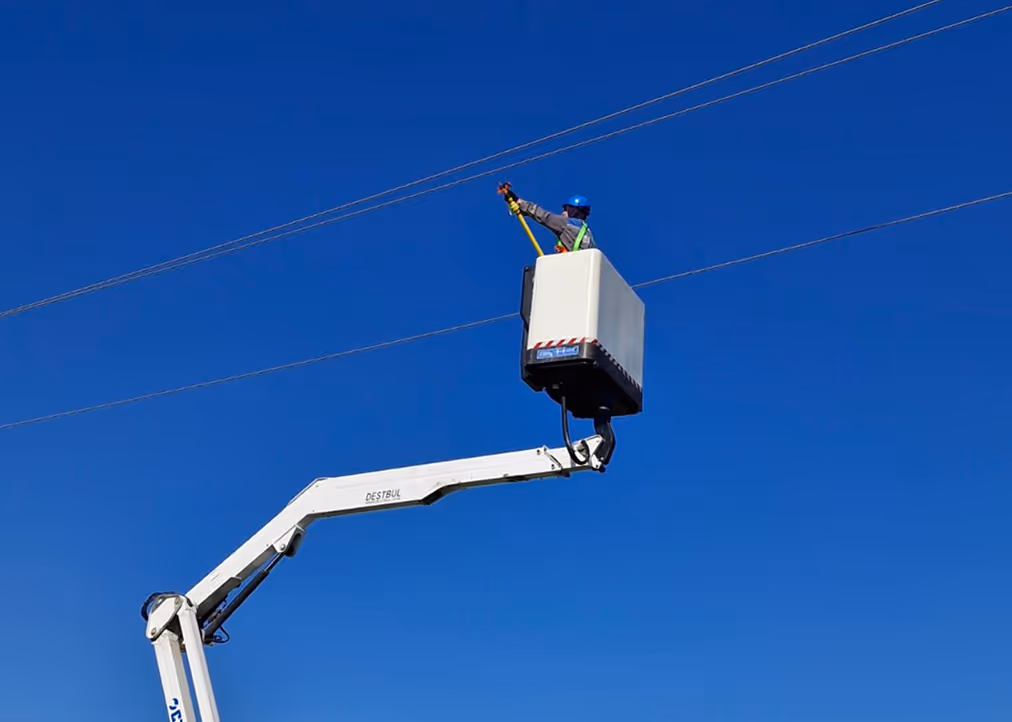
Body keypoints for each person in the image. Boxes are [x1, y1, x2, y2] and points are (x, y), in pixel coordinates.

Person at [500, 185, 596, 253]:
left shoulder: (567, 224)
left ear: (573, 210)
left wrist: (518, 201)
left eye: (566, 209)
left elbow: (544, 216)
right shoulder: (588, 234)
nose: (563, 213)